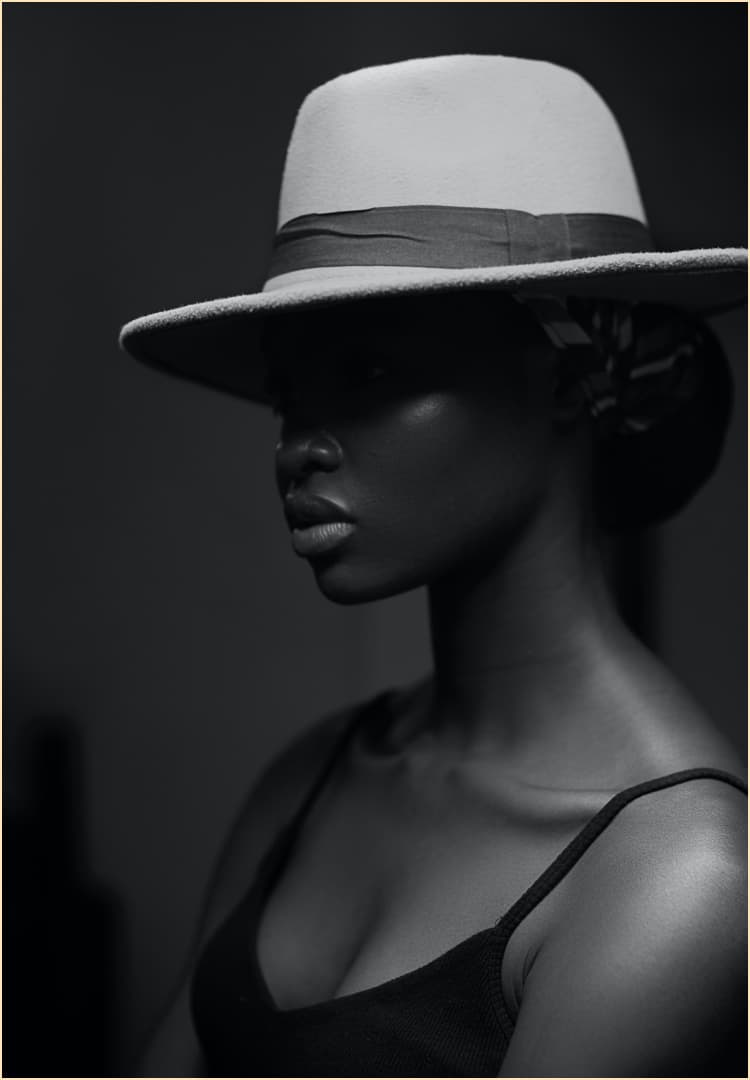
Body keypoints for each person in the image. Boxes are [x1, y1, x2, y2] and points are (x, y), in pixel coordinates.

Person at [120, 55, 747, 1078]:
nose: (298, 446)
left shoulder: (681, 879)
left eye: (367, 369)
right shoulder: (315, 775)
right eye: (287, 392)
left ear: (567, 377)